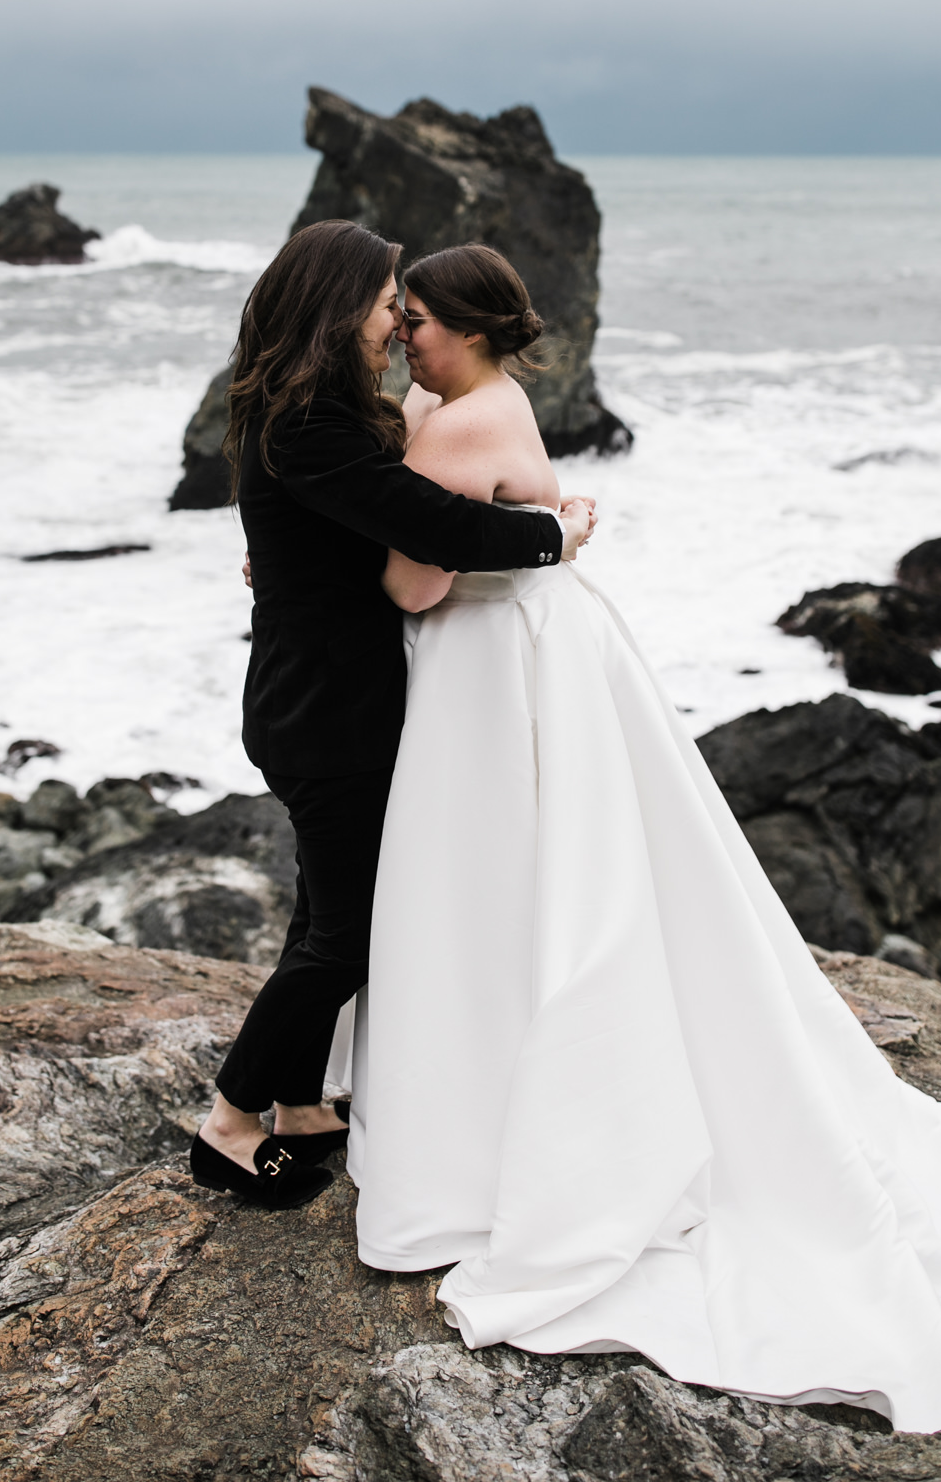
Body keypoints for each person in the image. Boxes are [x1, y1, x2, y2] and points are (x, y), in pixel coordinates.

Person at [349, 241, 941, 1444]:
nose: (398, 339)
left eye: (413, 321)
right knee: (535, 876)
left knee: (510, 884)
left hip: (492, 664)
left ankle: (503, 1103)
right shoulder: (466, 398)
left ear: (466, 329)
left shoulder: (458, 422)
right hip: (538, 645)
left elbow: (413, 587)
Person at [189, 220, 594, 1209]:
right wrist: (554, 529)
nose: (394, 325)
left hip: (320, 697)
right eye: (383, 306)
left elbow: (368, 517)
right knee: (349, 931)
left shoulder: (312, 412)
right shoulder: (308, 426)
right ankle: (234, 1127)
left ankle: (302, 1108)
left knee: (325, 910)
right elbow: (430, 524)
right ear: (339, 310)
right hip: (327, 708)